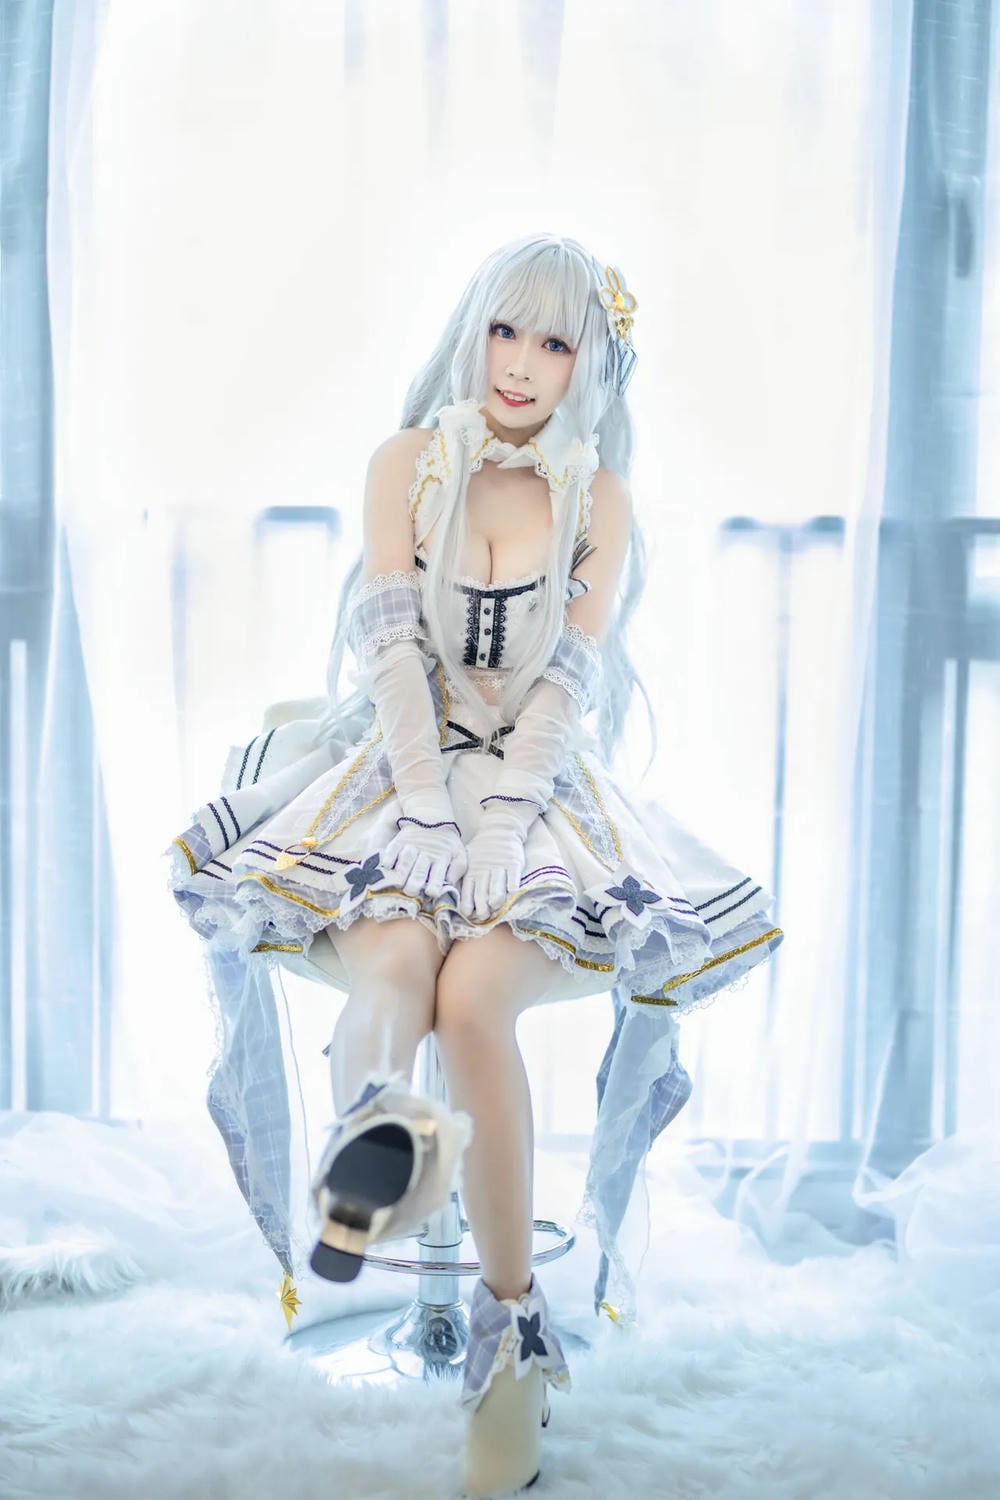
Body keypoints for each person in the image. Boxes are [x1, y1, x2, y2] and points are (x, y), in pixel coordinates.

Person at [165, 232, 784, 1498]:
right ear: (472, 328)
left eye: (554, 342)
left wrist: (499, 817)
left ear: (587, 365)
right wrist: (427, 805)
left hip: (535, 798)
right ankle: (377, 1139)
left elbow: (567, 680)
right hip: (395, 776)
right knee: (393, 962)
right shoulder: (406, 463)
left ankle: (510, 1354)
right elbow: (392, 650)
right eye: (506, 329)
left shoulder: (598, 499)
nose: (520, 363)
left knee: (472, 1003)